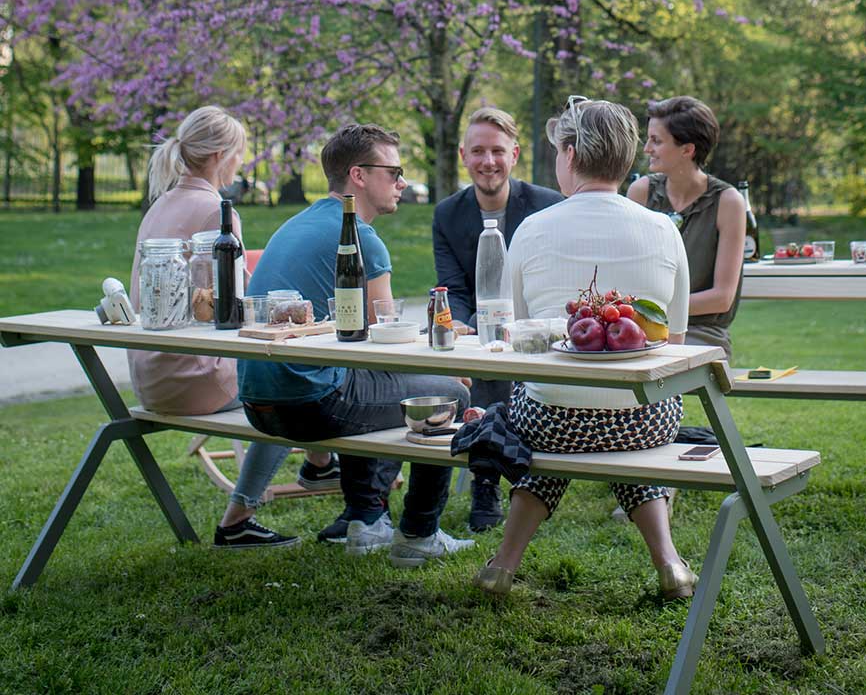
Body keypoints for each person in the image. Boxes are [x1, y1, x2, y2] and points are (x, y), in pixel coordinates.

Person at [472, 96, 697, 600]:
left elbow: (517, 334)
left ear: (570, 154)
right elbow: (674, 343)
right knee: (622, 431)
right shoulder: (664, 229)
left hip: (550, 417)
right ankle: (670, 563)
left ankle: (503, 566)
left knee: (553, 417)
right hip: (644, 418)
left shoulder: (531, 229)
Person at [239, 123, 475, 567]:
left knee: (374, 383)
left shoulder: (297, 223)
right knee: (451, 393)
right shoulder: (362, 238)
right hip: (309, 403)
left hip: (258, 403)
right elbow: (383, 340)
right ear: (359, 176)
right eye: (394, 171)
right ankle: (419, 534)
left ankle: (367, 519)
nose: (403, 182)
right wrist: (443, 348)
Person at [129, 106, 335, 549]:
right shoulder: (216, 211)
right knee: (286, 387)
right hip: (192, 381)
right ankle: (241, 514)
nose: (241, 164)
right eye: (239, 154)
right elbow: (240, 307)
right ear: (222, 154)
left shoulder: (160, 205)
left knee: (284, 380)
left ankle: (321, 462)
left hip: (151, 378)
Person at [432, 106, 562, 531]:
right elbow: (453, 287)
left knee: (504, 350)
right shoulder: (448, 214)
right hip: (484, 330)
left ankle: (508, 472)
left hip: (538, 327)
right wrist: (466, 322)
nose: (488, 161)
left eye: (497, 151)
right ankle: (487, 480)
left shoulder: (547, 206)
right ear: (462, 156)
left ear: (515, 154)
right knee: (484, 354)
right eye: (478, 151)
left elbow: (554, 283)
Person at [626, 96, 745, 361]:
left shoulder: (728, 202)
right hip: (642, 328)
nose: (646, 149)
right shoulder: (641, 192)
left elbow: (722, 298)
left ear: (687, 150)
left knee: (654, 360)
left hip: (702, 332)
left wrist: (650, 311)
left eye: (656, 141)